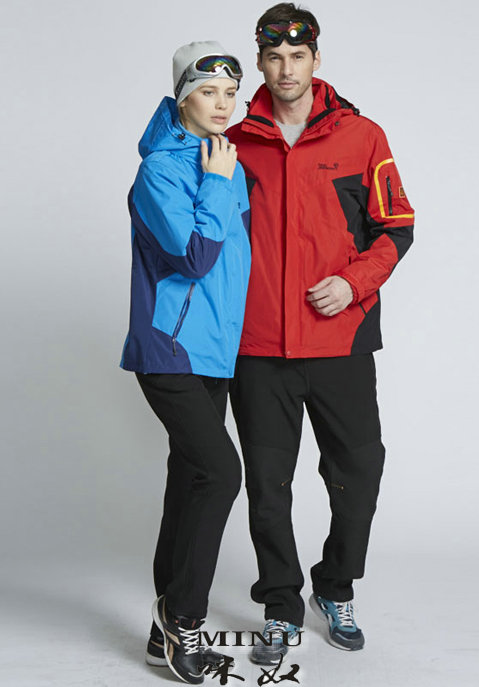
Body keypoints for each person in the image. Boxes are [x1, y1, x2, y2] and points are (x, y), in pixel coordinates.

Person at [227, 3, 415, 665]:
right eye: (274, 57)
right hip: (257, 346)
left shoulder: (361, 136)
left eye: (297, 56)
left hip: (340, 340)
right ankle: (281, 604)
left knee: (359, 470)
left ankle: (334, 587)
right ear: (260, 61)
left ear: (315, 59)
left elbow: (397, 227)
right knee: (268, 483)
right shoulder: (232, 141)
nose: (286, 69)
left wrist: (354, 283)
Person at [120, 41, 251, 685]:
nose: (222, 104)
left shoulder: (226, 161)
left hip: (214, 353)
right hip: (168, 349)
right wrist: (219, 183)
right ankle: (184, 620)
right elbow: (195, 258)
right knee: (222, 473)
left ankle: (160, 629)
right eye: (207, 92)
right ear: (182, 99)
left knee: (191, 480)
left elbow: (235, 264)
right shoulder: (161, 172)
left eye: (230, 93)